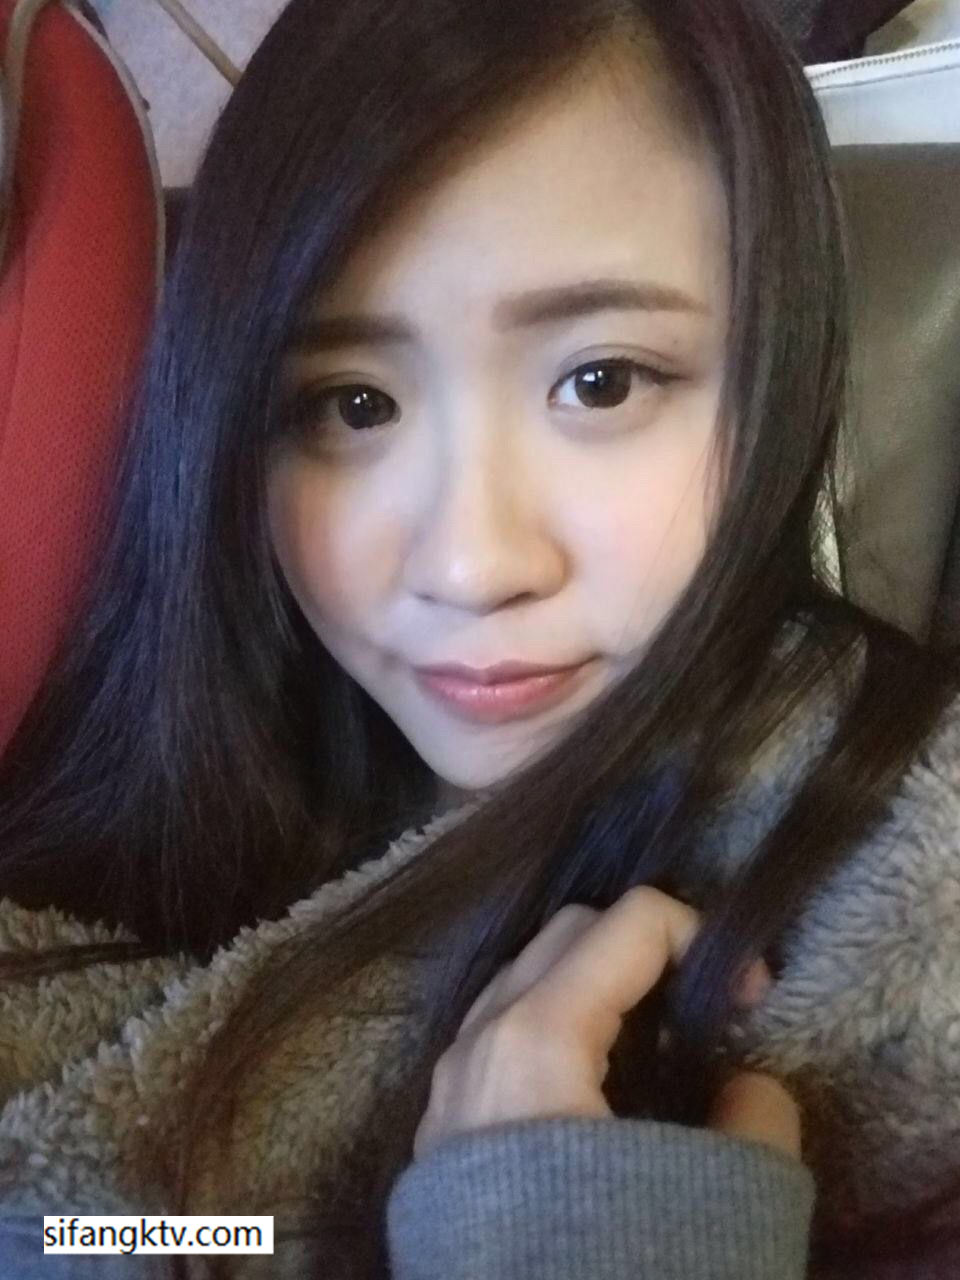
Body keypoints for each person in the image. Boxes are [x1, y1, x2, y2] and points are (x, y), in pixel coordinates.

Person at [0, 0, 957, 1276]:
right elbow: (116, 1231)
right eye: (353, 404)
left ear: (778, 368)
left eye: (600, 381)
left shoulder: (915, 931)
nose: (471, 565)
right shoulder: (154, 815)